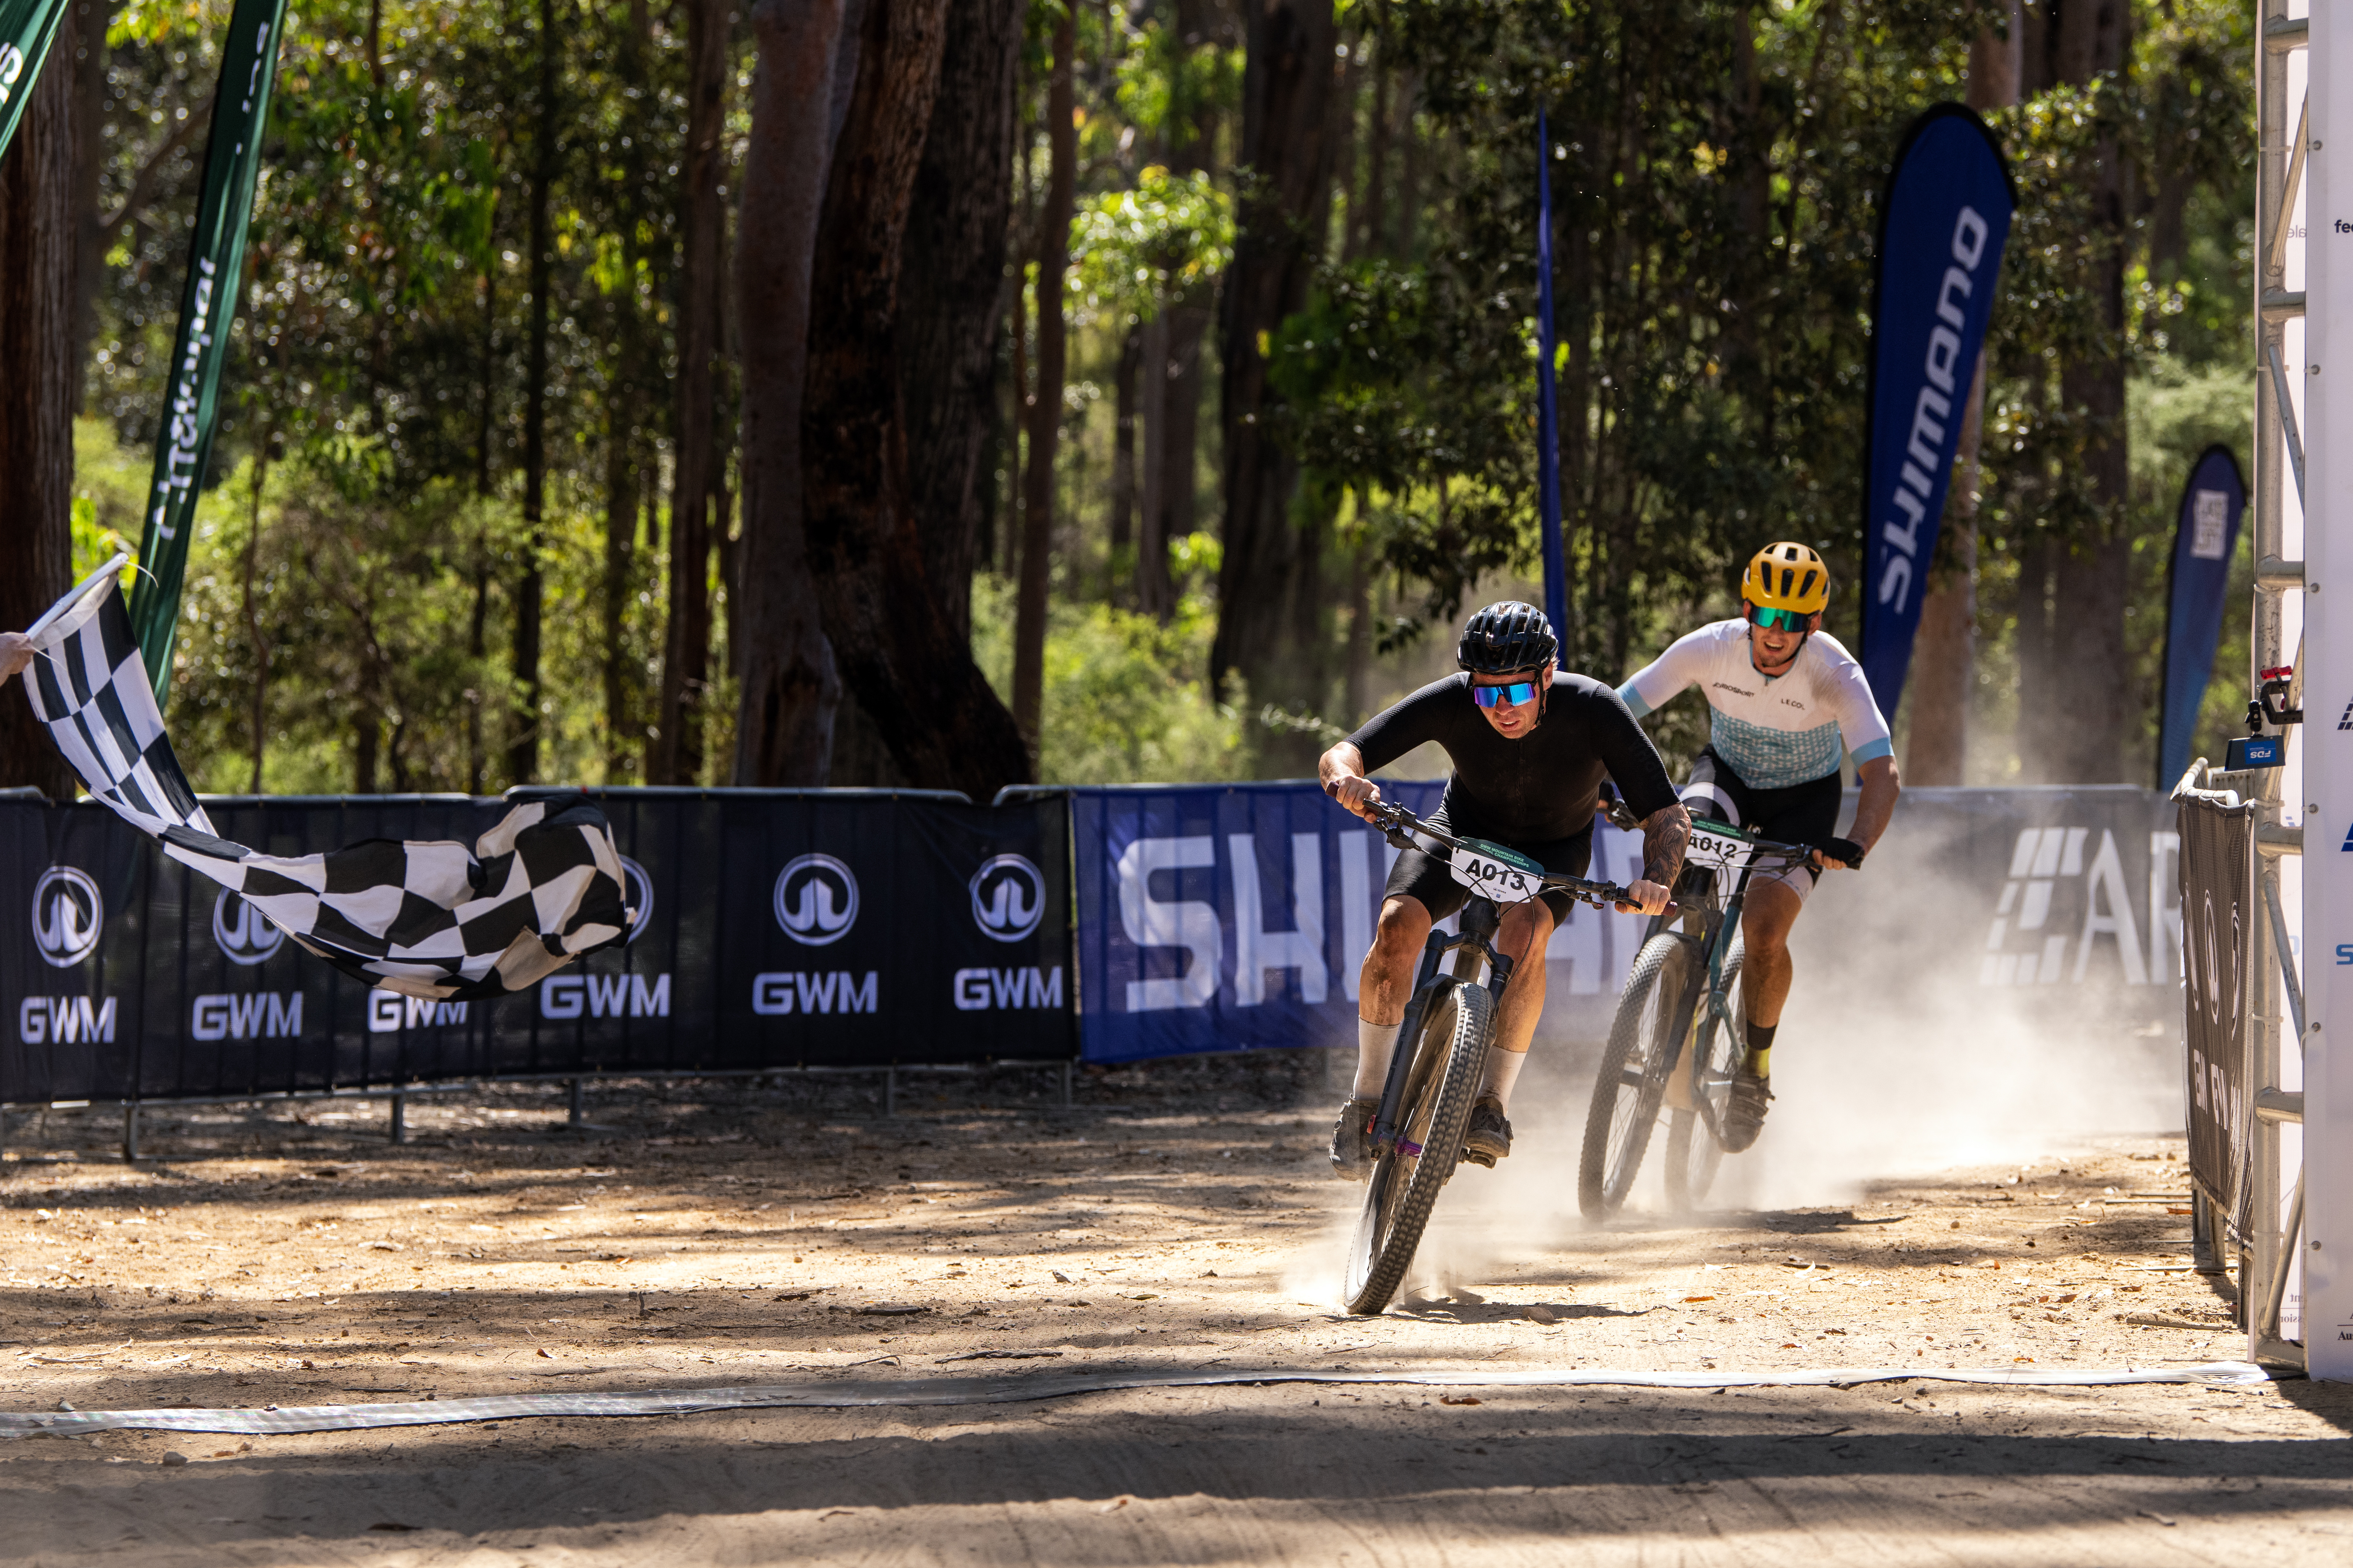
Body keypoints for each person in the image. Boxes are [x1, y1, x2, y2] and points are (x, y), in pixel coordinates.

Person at [1319, 601, 1687, 1176]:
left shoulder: (1594, 709)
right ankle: (1366, 1096)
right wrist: (1345, 778)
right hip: (1462, 831)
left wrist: (1657, 880)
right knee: (1397, 927)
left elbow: (1667, 814)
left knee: (1525, 932)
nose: (1499, 710)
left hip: (1551, 853)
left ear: (1546, 676)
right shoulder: (1455, 698)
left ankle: (1491, 1102)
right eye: (1486, 695)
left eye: (1513, 694)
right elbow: (1345, 750)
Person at [1617, 541, 1900, 1151]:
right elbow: (1615, 715)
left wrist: (1853, 842)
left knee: (1765, 931)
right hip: (1726, 779)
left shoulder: (1834, 672)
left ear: (1813, 625)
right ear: (1747, 610)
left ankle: (1755, 1071)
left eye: (1791, 622)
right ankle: (1658, 991)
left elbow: (1882, 773)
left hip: (1803, 802)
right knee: (1676, 847)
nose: (1775, 634)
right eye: (1765, 616)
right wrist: (1594, 781)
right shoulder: (1708, 647)